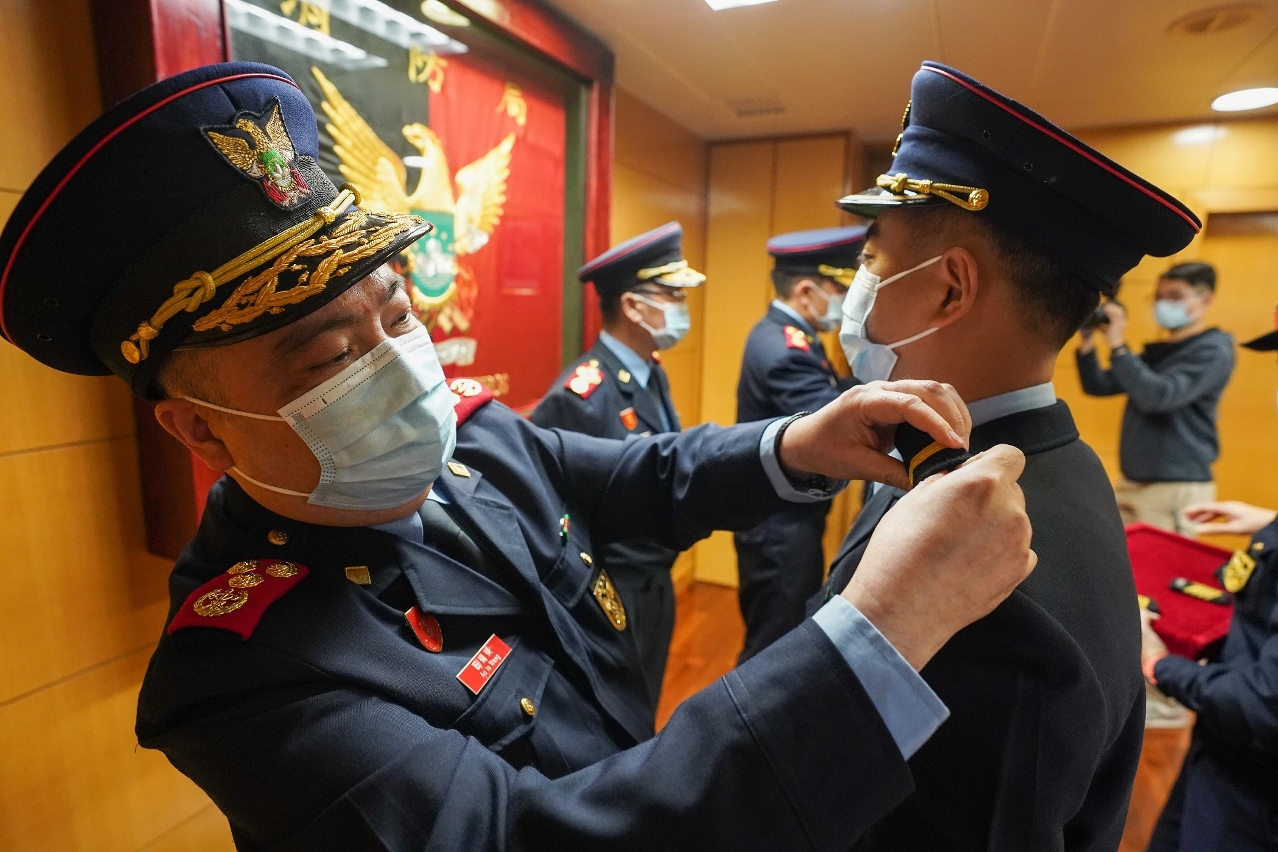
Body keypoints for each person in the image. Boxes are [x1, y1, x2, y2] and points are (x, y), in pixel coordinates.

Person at [0, 62, 1040, 850]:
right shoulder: (243, 678)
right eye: (329, 356)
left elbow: (639, 479)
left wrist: (799, 442)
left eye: (397, 313)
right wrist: (879, 634)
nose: (395, 364)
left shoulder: (471, 435)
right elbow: (521, 836)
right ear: (200, 427)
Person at [813, 61, 1203, 851]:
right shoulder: (1037, 456)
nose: (855, 284)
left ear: (950, 289)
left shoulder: (999, 608)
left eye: (870, 259)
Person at [531, 221, 701, 707]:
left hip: (654, 578)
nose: (682, 307)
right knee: (618, 715)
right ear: (632, 306)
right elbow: (549, 510)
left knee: (646, 706)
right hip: (610, 590)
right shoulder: (582, 395)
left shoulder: (651, 374)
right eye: (673, 295)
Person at [1139, 328, 1278, 852]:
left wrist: (1158, 665)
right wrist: (1269, 522)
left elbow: (1263, 705)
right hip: (1225, 750)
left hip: (1255, 783)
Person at [734, 226, 863, 662]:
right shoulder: (786, 348)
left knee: (779, 634)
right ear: (806, 291)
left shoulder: (787, 334)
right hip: (780, 524)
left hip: (782, 516)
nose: (846, 301)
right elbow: (831, 426)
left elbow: (828, 392)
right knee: (773, 649)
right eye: (840, 290)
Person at [1076, 262, 1234, 534]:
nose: (1163, 304)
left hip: (1174, 487)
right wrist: (1088, 341)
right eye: (1159, 297)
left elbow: (1158, 397)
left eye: (1175, 296)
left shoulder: (1212, 351)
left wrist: (1118, 344)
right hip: (1133, 482)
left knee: (1158, 562)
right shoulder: (1160, 352)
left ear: (1206, 299)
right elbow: (1098, 385)